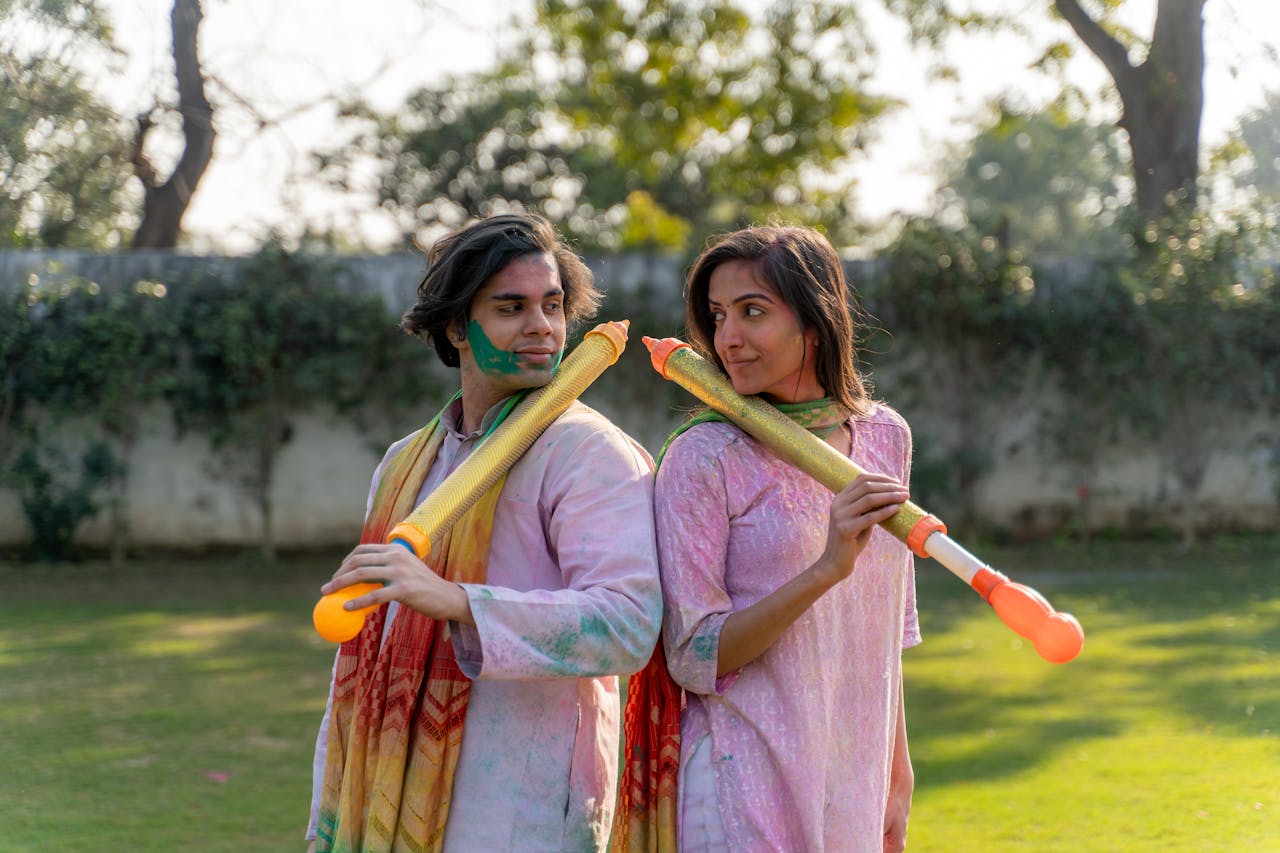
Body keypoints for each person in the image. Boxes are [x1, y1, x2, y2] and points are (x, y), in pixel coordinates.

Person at [305, 212, 662, 852]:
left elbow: (629, 624)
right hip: (385, 795)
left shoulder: (588, 454)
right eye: (510, 307)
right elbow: (359, 657)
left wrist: (456, 601)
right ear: (454, 328)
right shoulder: (405, 465)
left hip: (524, 805)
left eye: (553, 306)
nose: (541, 328)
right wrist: (326, 820)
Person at [654, 225, 919, 852]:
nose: (729, 339)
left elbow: (885, 626)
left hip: (851, 780)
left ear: (815, 322)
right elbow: (695, 657)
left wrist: (896, 764)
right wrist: (826, 568)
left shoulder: (886, 439)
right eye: (718, 316)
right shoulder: (705, 456)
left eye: (753, 312)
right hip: (739, 785)